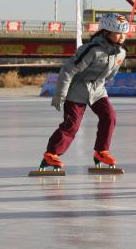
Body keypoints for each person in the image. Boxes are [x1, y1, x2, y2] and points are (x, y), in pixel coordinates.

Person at [40, 13, 128, 172]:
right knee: (71, 125)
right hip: (77, 90)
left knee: (110, 116)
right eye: (118, 33)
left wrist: (99, 86)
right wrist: (60, 95)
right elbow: (68, 70)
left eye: (124, 34)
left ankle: (101, 151)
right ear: (105, 32)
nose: (122, 37)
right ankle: (51, 154)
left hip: (98, 90)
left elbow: (110, 74)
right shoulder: (91, 50)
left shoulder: (121, 53)